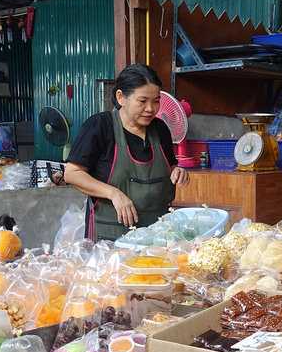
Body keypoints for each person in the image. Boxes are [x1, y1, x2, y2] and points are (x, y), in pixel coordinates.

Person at [64, 64, 189, 241]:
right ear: (121, 97)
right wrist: (114, 193)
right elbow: (72, 174)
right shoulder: (100, 126)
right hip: (111, 238)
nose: (151, 109)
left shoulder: (160, 129)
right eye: (142, 101)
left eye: (156, 101)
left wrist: (178, 171)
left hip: (158, 235)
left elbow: (171, 166)